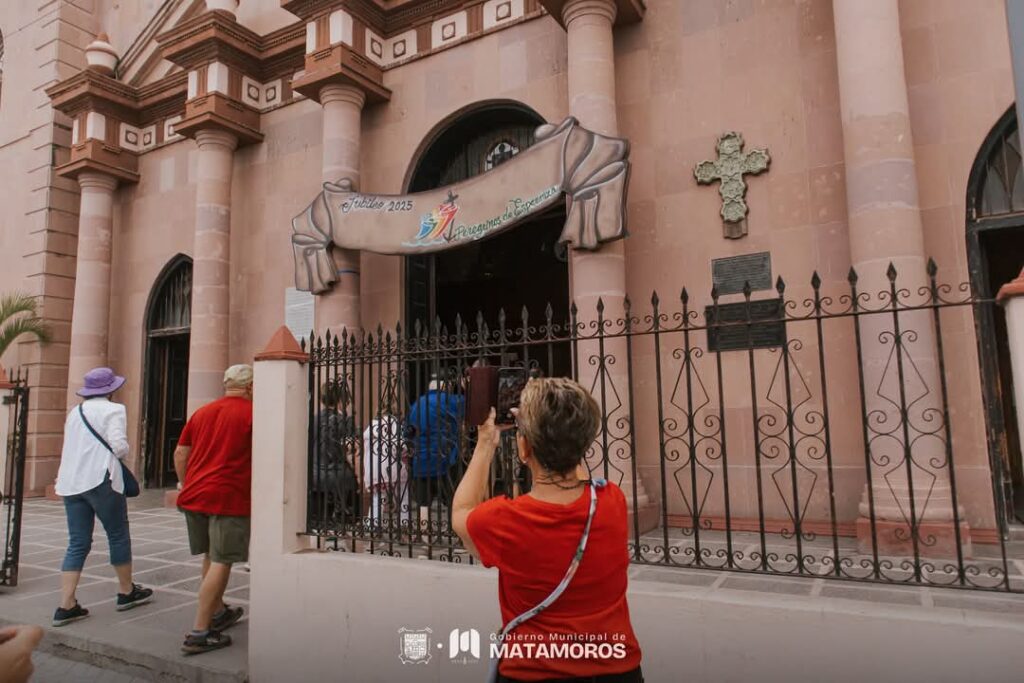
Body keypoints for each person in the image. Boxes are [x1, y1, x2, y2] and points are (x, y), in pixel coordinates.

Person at [452, 378, 643, 683]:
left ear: (525, 447)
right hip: (618, 671)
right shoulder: (612, 502)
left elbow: (461, 513)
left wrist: (486, 440)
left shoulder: (505, 521)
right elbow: (576, 470)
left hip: (534, 674)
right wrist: (559, 419)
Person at [53, 367, 153, 627]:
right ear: (111, 389)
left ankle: (67, 603)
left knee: (77, 542)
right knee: (117, 533)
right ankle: (126, 590)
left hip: (71, 482)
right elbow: (119, 446)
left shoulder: (75, 412)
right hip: (100, 479)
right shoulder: (114, 410)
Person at [173, 364, 254, 655]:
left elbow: (181, 452)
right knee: (222, 560)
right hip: (227, 497)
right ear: (250, 387)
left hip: (195, 496)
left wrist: (185, 482)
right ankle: (199, 631)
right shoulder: (251, 413)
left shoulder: (202, 412)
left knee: (210, 555)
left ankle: (218, 610)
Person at [407, 375, 464, 513]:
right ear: (444, 388)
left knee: (423, 503)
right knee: (453, 498)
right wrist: (464, 387)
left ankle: (424, 531)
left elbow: (409, 431)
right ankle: (453, 531)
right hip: (445, 457)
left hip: (421, 459)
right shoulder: (449, 400)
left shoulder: (417, 404)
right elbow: (471, 405)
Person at [314, 380, 359, 522]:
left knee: (319, 523)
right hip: (340, 478)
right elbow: (351, 450)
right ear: (340, 399)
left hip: (315, 475)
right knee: (343, 523)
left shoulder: (313, 419)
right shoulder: (344, 420)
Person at [362, 400, 410, 524]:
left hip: (375, 470)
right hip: (393, 468)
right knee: (403, 498)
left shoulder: (371, 426)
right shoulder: (394, 425)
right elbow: (399, 446)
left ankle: (373, 524)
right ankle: (404, 525)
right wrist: (407, 453)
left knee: (377, 498)